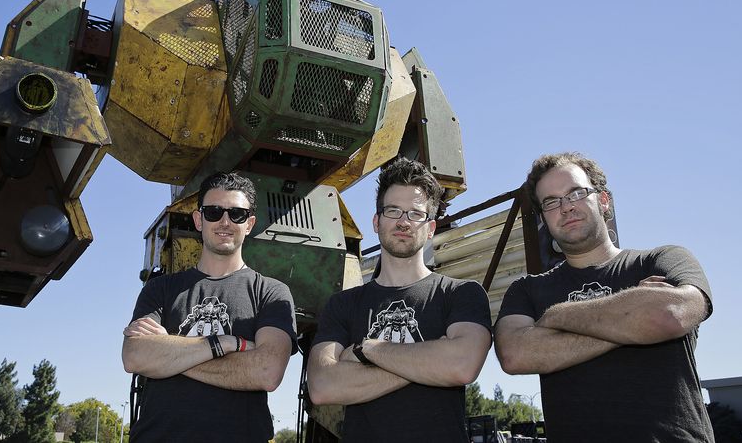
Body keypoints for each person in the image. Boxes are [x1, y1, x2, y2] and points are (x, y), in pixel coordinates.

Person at [494, 152, 714, 442]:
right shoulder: (527, 290)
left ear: (604, 200)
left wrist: (556, 318)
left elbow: (668, 315)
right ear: (543, 218)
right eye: (551, 202)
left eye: (576, 193)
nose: (566, 207)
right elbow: (515, 354)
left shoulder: (664, 259)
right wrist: (634, 321)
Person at [307, 157, 492, 442]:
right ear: (376, 222)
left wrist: (367, 351)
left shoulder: (461, 293)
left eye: (415, 214)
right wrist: (431, 362)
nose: (404, 222)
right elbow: (322, 386)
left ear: (430, 229)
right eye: (393, 211)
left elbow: (462, 365)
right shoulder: (343, 305)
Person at [122, 172, 297, 442]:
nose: (225, 221)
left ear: (249, 224)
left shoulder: (271, 292)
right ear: (198, 219)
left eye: (236, 214)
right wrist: (226, 343)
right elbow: (135, 357)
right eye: (214, 212)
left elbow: (267, 371)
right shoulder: (160, 289)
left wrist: (168, 356)